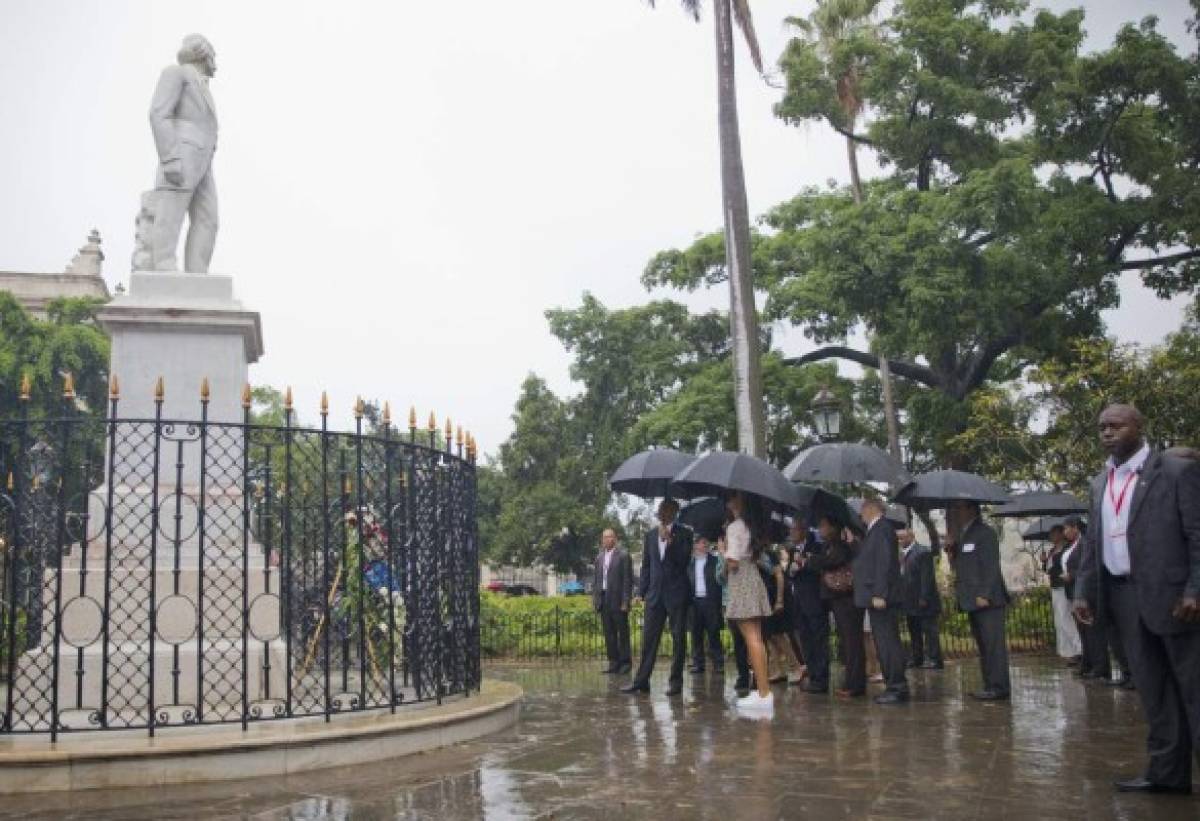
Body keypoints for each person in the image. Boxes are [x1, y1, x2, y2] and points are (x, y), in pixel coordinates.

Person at [1073, 404, 1200, 795]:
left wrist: (1195, 589)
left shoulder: (1175, 471)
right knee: (1154, 693)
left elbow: (1197, 534)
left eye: (1116, 425)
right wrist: (1083, 591)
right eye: (1101, 428)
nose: (1107, 433)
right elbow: (1093, 544)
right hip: (1123, 597)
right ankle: (1167, 774)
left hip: (1175, 599)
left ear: (1139, 427)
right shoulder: (1099, 483)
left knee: (1194, 690)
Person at [143, 34, 220, 273]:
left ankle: (198, 272)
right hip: (182, 153)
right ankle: (163, 263)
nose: (216, 62)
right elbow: (158, 113)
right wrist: (170, 158)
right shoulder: (176, 73)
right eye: (214, 55)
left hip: (203, 160)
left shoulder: (202, 84)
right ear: (203, 52)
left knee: (209, 219)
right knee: (171, 211)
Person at [622, 499, 692, 697]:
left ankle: (675, 682)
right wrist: (640, 592)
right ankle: (641, 681)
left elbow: (683, 561)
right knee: (649, 639)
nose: (660, 513)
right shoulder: (650, 535)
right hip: (654, 595)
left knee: (678, 638)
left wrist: (670, 542)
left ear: (674, 512)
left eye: (665, 510)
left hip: (677, 594)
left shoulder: (685, 534)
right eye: (660, 510)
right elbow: (646, 566)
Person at [947, 500, 1011, 700]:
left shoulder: (985, 533)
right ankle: (990, 684)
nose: (957, 512)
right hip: (972, 600)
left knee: (993, 646)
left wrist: (985, 593)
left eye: (960, 507)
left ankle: (999, 687)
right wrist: (951, 551)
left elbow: (990, 566)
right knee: (984, 645)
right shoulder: (964, 534)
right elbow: (964, 566)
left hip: (987, 600)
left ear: (971, 509)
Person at [801, 513, 865, 698]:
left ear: (833, 527)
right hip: (837, 598)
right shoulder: (829, 544)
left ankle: (855, 684)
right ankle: (852, 681)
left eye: (823, 525)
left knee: (852, 641)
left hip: (846, 598)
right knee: (847, 641)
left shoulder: (841, 543)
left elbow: (832, 561)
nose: (820, 530)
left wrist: (810, 560)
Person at [722, 492, 776, 713]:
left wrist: (723, 550)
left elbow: (733, 563)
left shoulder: (734, 527)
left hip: (741, 580)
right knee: (758, 639)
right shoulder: (752, 526)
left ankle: (764, 695)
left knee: (752, 639)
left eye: (732, 496)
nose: (728, 500)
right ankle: (764, 691)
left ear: (739, 502)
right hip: (753, 578)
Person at [853, 498, 909, 704]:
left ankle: (897, 687)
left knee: (887, 643)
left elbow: (884, 563)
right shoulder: (875, 531)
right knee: (884, 642)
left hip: (881, 598)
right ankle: (893, 685)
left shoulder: (882, 529)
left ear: (871, 509)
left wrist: (880, 593)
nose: (861, 514)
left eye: (862, 510)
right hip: (876, 597)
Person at [788, 520, 830, 694]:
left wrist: (804, 562)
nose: (791, 534)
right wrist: (791, 569)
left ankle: (821, 679)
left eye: (794, 530)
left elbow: (822, 565)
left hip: (814, 601)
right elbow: (790, 573)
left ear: (803, 530)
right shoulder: (794, 549)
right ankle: (812, 675)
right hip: (798, 601)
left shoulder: (817, 545)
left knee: (818, 640)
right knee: (805, 640)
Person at [899, 527, 943, 670]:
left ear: (911, 537)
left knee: (930, 631)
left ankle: (934, 659)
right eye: (898, 539)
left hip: (923, 600)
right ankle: (917, 658)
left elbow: (927, 577)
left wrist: (924, 596)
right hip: (909, 600)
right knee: (914, 631)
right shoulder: (902, 554)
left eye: (902, 538)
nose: (900, 541)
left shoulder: (922, 551)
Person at [593, 528, 633, 675]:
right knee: (609, 633)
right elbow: (596, 580)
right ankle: (613, 663)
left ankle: (625, 663)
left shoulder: (623, 555)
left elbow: (628, 580)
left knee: (622, 633)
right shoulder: (599, 558)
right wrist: (595, 599)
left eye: (609, 537)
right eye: (604, 537)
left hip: (618, 600)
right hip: (604, 599)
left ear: (615, 538)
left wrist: (626, 601)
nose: (606, 540)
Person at [762, 545, 805, 685]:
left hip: (775, 596)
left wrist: (779, 600)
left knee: (778, 634)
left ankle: (796, 667)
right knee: (768, 635)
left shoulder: (767, 554)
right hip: (765, 597)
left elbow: (779, 576)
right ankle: (779, 670)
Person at [1043, 523, 1082, 665]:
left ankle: (1079, 649)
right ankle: (1068, 651)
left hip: (1063, 586)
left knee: (1067, 618)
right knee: (1060, 621)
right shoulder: (1052, 550)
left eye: (1054, 533)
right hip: (1054, 586)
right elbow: (1048, 569)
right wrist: (1044, 561)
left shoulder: (1067, 548)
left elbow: (1064, 566)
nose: (1052, 537)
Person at [687, 535, 724, 674]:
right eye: (702, 543)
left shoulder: (714, 561)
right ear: (695, 545)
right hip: (695, 602)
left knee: (713, 632)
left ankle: (718, 663)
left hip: (710, 601)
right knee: (696, 634)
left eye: (706, 543)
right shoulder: (690, 563)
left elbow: (720, 581)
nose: (704, 545)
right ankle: (698, 663)